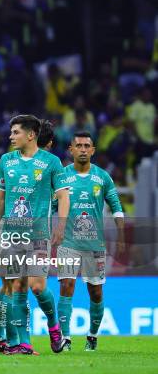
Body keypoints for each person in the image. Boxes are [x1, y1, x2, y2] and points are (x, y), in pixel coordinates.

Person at [0, 115, 70, 355]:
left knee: (36, 286)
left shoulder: (52, 162)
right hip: (12, 236)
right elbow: (0, 197)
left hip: (39, 235)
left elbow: (64, 196)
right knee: (17, 286)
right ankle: (23, 343)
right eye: (11, 132)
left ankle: (54, 327)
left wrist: (61, 226)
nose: (11, 136)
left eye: (15, 132)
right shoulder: (6, 161)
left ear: (31, 135)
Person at [58, 131, 125, 351]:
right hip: (68, 242)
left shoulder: (103, 177)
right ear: (71, 150)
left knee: (95, 292)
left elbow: (116, 206)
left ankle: (92, 336)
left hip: (95, 245)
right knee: (66, 286)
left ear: (93, 150)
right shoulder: (61, 177)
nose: (83, 149)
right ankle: (65, 339)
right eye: (79, 145)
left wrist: (122, 236)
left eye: (87, 145)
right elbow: (50, 205)